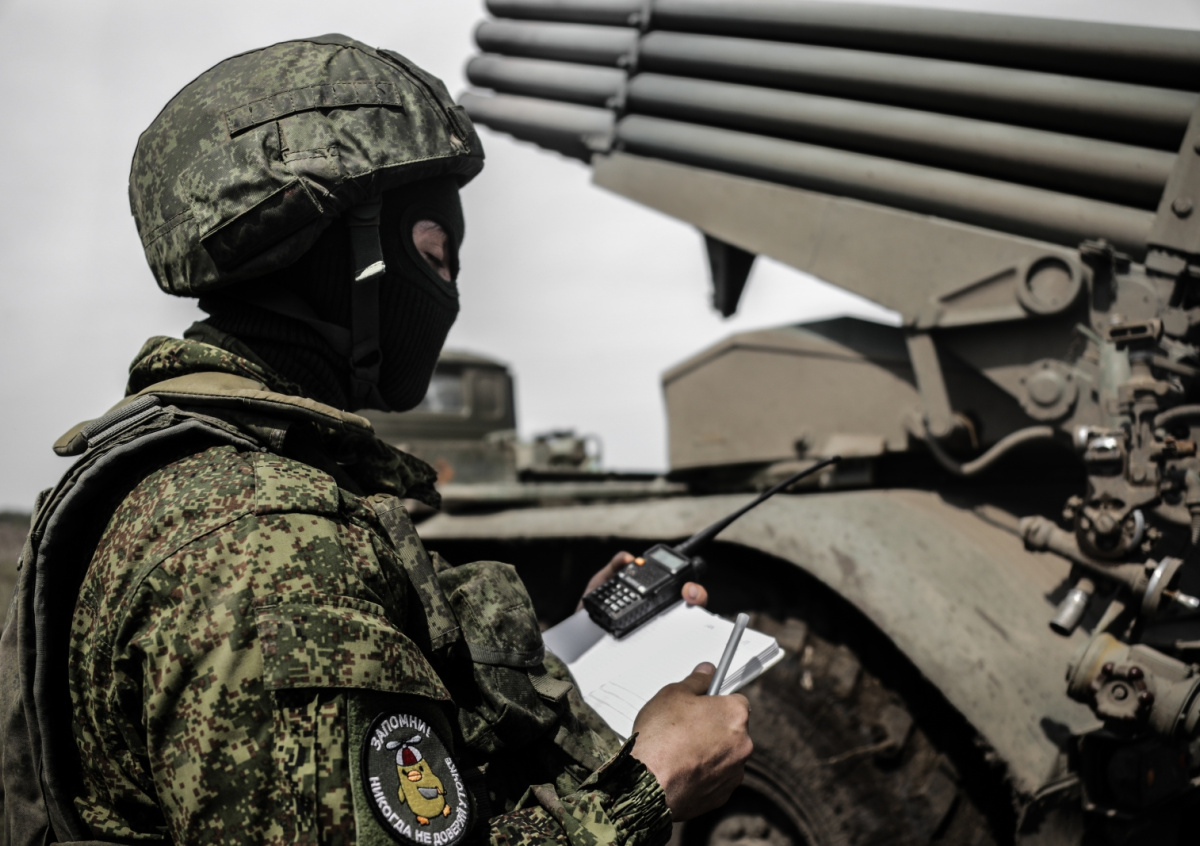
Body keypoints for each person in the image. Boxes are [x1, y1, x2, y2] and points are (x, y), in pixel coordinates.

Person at [0, 34, 751, 846]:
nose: (449, 291)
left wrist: (579, 643)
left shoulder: (207, 479)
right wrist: (648, 788)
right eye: (435, 254)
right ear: (354, 258)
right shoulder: (265, 536)